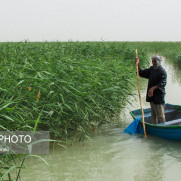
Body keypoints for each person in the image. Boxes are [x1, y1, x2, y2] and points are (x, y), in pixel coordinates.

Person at [135, 55, 167, 124]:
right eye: (152, 61)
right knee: (153, 114)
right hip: (152, 96)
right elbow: (142, 73)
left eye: (154, 61)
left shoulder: (162, 72)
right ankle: (154, 126)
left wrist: (153, 88)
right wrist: (138, 64)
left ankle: (164, 126)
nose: (153, 63)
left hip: (158, 96)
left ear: (158, 62)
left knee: (160, 115)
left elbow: (163, 83)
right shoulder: (152, 69)